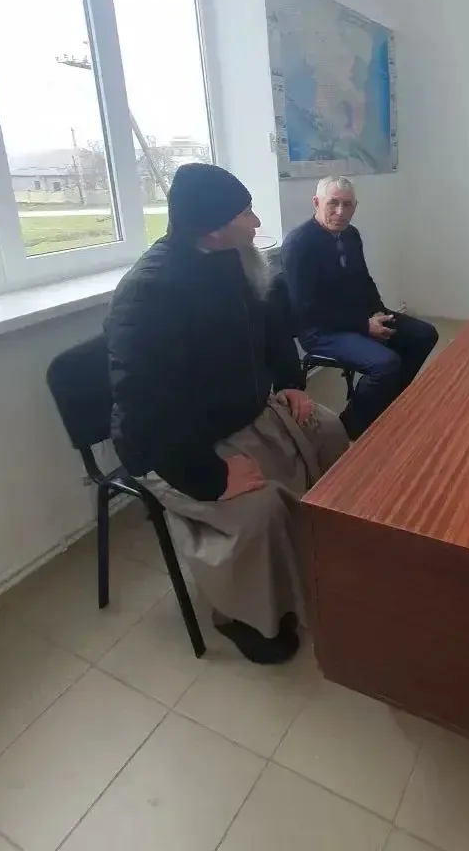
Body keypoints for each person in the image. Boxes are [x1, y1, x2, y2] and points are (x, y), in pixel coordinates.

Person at [105, 164, 349, 665]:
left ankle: (324, 549)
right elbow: (147, 409)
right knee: (257, 509)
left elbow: (273, 327)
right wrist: (212, 477)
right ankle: (245, 616)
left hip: (242, 412)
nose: (256, 222)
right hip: (175, 447)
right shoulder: (149, 292)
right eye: (245, 214)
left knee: (325, 428)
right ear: (213, 227)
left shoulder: (236, 259)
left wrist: (289, 383)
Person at [281, 176, 439, 440]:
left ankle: (389, 403)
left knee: (424, 334)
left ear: (355, 206)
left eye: (347, 205)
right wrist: (364, 326)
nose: (340, 212)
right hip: (320, 329)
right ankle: (348, 429)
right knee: (386, 364)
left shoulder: (351, 234)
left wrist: (378, 312)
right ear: (316, 202)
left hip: (357, 317)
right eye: (333, 203)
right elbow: (307, 309)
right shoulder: (299, 244)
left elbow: (364, 280)